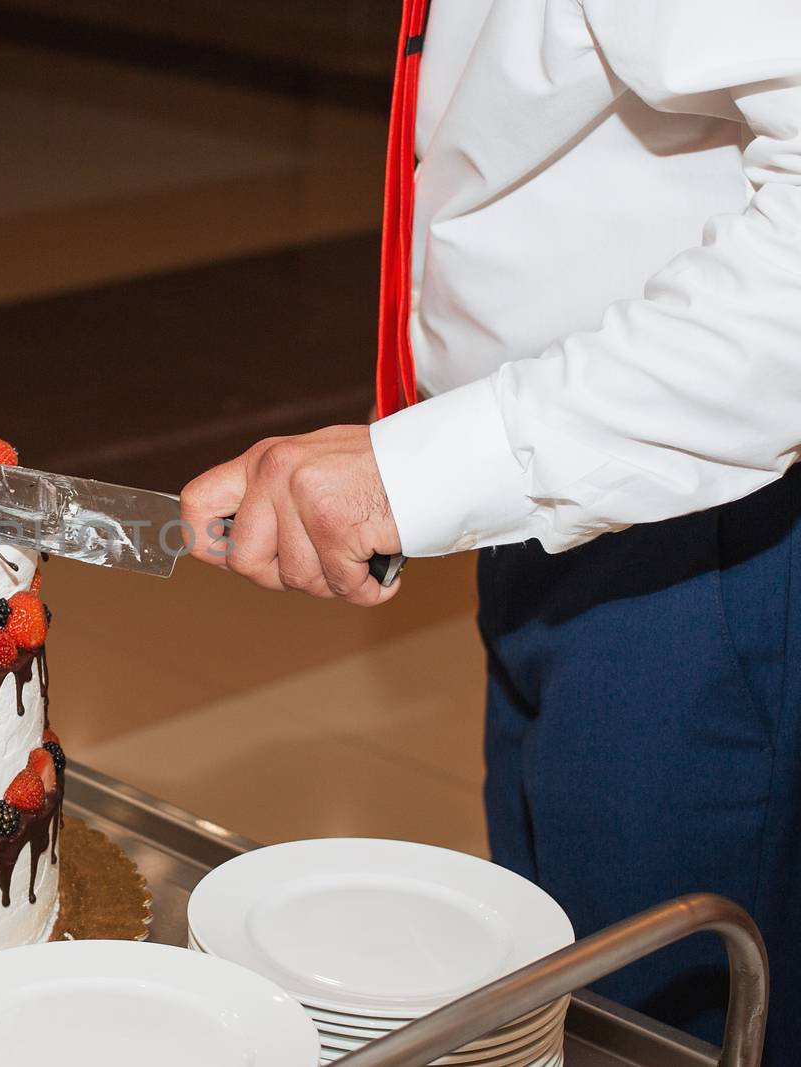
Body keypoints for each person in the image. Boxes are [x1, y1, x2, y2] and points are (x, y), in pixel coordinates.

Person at [179, 0, 801, 1058]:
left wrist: (436, 465)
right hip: (563, 504)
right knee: (554, 983)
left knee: (656, 1017)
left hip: (701, 542)